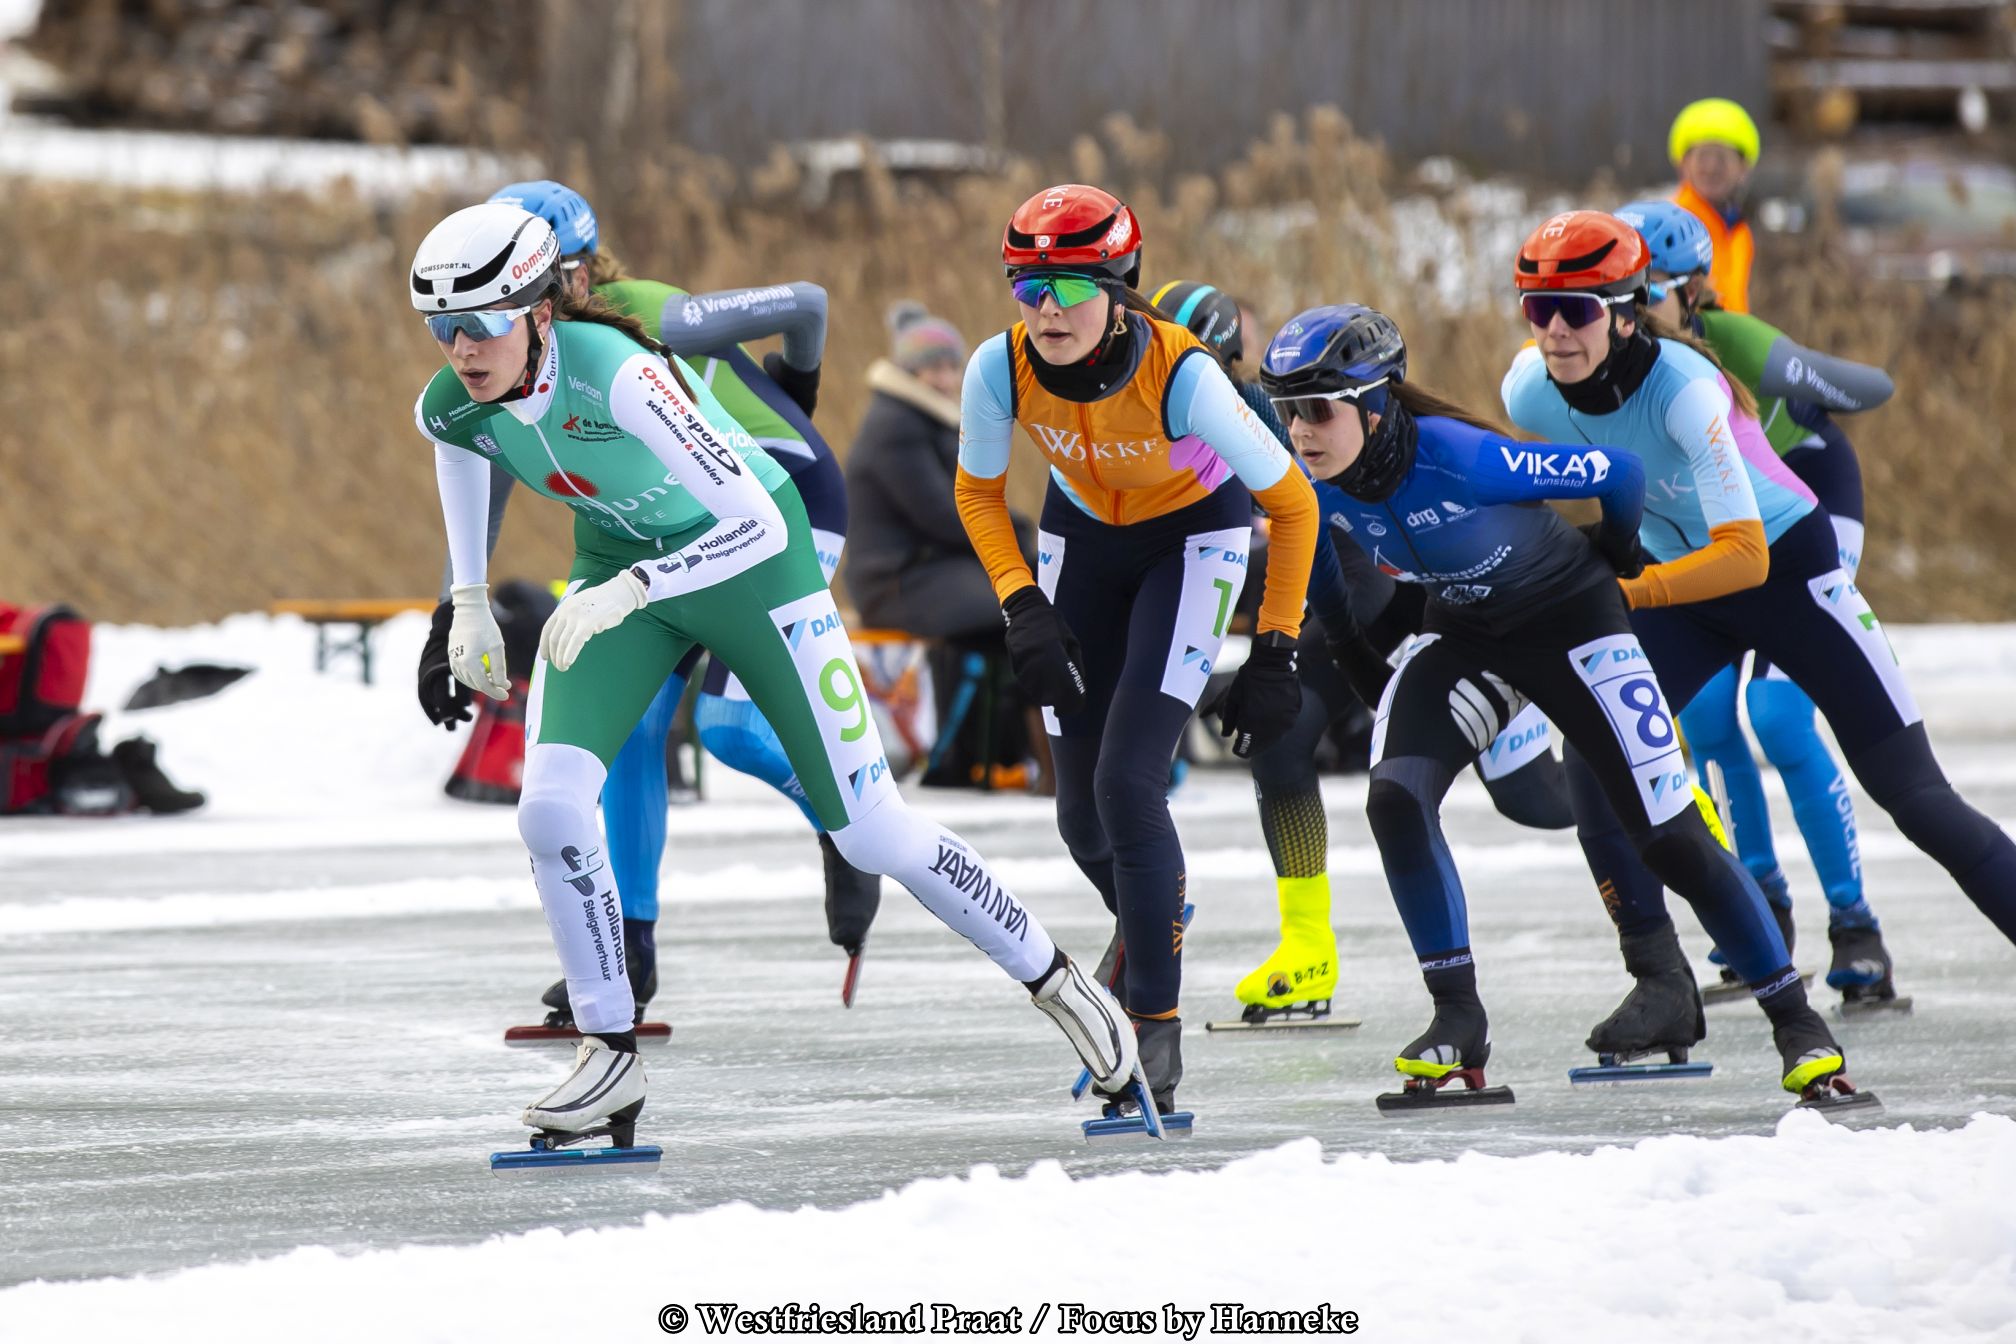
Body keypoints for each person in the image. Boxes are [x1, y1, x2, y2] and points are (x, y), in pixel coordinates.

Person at [410, 202, 1141, 1149]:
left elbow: (756, 519)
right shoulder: (454, 399)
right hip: (622, 570)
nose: (462, 349)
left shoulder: (621, 374)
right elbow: (460, 456)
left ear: (541, 312)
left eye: (483, 323)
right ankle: (608, 1049)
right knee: (549, 810)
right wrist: (466, 601)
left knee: (872, 831)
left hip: (752, 566)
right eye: (443, 328)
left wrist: (637, 587)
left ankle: (1060, 982)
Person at [1258, 302, 1860, 1106]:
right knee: (1395, 797)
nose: (1300, 430)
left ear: (1373, 405)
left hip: (1573, 623)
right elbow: (1317, 555)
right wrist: (1351, 653)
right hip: (1468, 633)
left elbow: (1621, 474)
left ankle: (1796, 1022)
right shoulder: (1308, 474)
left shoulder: (1462, 457)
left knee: (1667, 837)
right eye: (1287, 410)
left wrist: (1615, 554)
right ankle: (1457, 1018)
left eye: (1317, 409)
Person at [1503, 210, 2016, 1084]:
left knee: (1915, 796)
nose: (1555, 331)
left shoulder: (1685, 389)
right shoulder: (1528, 390)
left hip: (1785, 573)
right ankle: (1661, 981)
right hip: (1683, 588)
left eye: (1577, 310)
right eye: (1536, 309)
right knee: (1592, 755)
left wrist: (1628, 592)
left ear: (1625, 314)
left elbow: (1743, 555)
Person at [413, 180, 881, 1021]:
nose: (544, 297)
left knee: (729, 728)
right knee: (631, 730)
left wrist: (795, 394)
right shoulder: (521, 363)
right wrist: (455, 607)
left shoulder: (648, 316)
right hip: (656, 529)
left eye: (559, 276)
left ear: (585, 270)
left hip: (777, 501)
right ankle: (632, 947)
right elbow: (491, 470)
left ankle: (848, 821)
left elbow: (806, 303)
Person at [956, 185, 1322, 1119]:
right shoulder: (998, 367)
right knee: (1080, 816)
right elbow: (978, 494)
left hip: (1190, 540)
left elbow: (1293, 505)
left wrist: (1275, 648)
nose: (1047, 309)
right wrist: (1021, 605)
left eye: (1073, 287)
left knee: (1128, 782)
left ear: (1121, 288)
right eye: (1028, 287)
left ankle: (1152, 1026)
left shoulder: (1184, 376)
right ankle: (1153, 915)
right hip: (1081, 540)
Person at [1151, 279, 1574, 1026]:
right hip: (1338, 584)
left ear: (1223, 364)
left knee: (1536, 801)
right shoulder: (1139, 410)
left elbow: (1324, 550)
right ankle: (1307, 947)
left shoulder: (1255, 413)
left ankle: (1671, 803)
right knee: (1280, 741)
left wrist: (1286, 647)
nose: (1166, 385)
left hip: (1380, 584)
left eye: (1185, 366)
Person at [1616, 199, 1903, 1007]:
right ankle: (1762, 908)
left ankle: (1855, 924)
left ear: (1693, 291)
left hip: (1807, 506)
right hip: (1715, 525)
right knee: (1708, 717)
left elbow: (1870, 388)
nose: (1627, 313)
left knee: (1777, 715)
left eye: (1646, 293)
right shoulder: (1609, 361)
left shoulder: (1731, 338)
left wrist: (1795, 374)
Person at [1668, 98, 1762, 314]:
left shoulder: (1740, 233)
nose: (1711, 168)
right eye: (1702, 157)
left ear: (1743, 168)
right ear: (1684, 165)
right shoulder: (1672, 229)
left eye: (1722, 158)